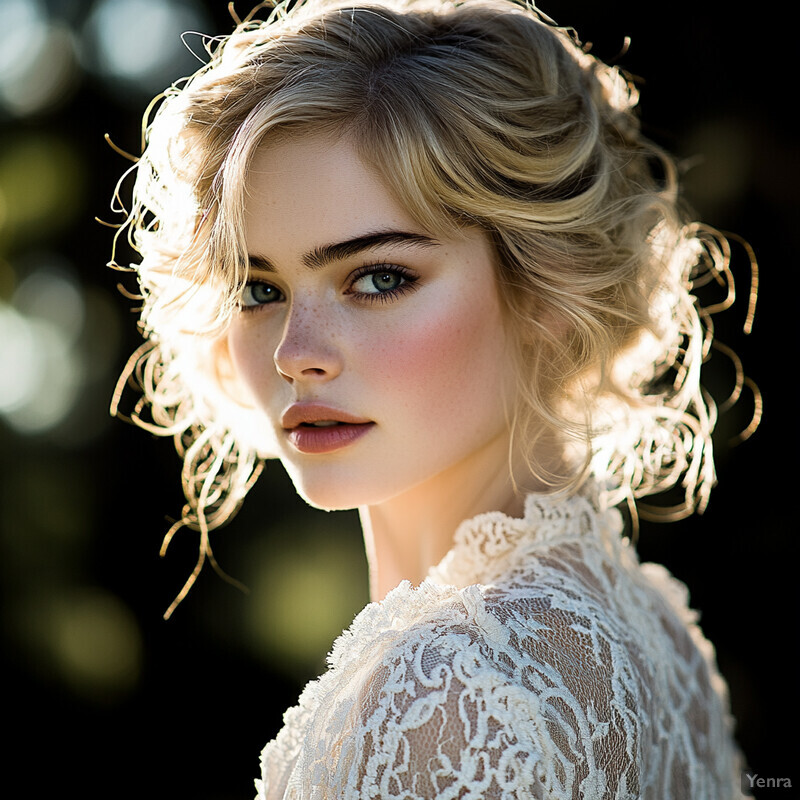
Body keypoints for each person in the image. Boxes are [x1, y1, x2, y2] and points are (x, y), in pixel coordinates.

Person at [111, 0, 759, 796]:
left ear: (546, 291)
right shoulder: (649, 635)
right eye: (259, 287)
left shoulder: (450, 694)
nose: (295, 353)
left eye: (378, 277)